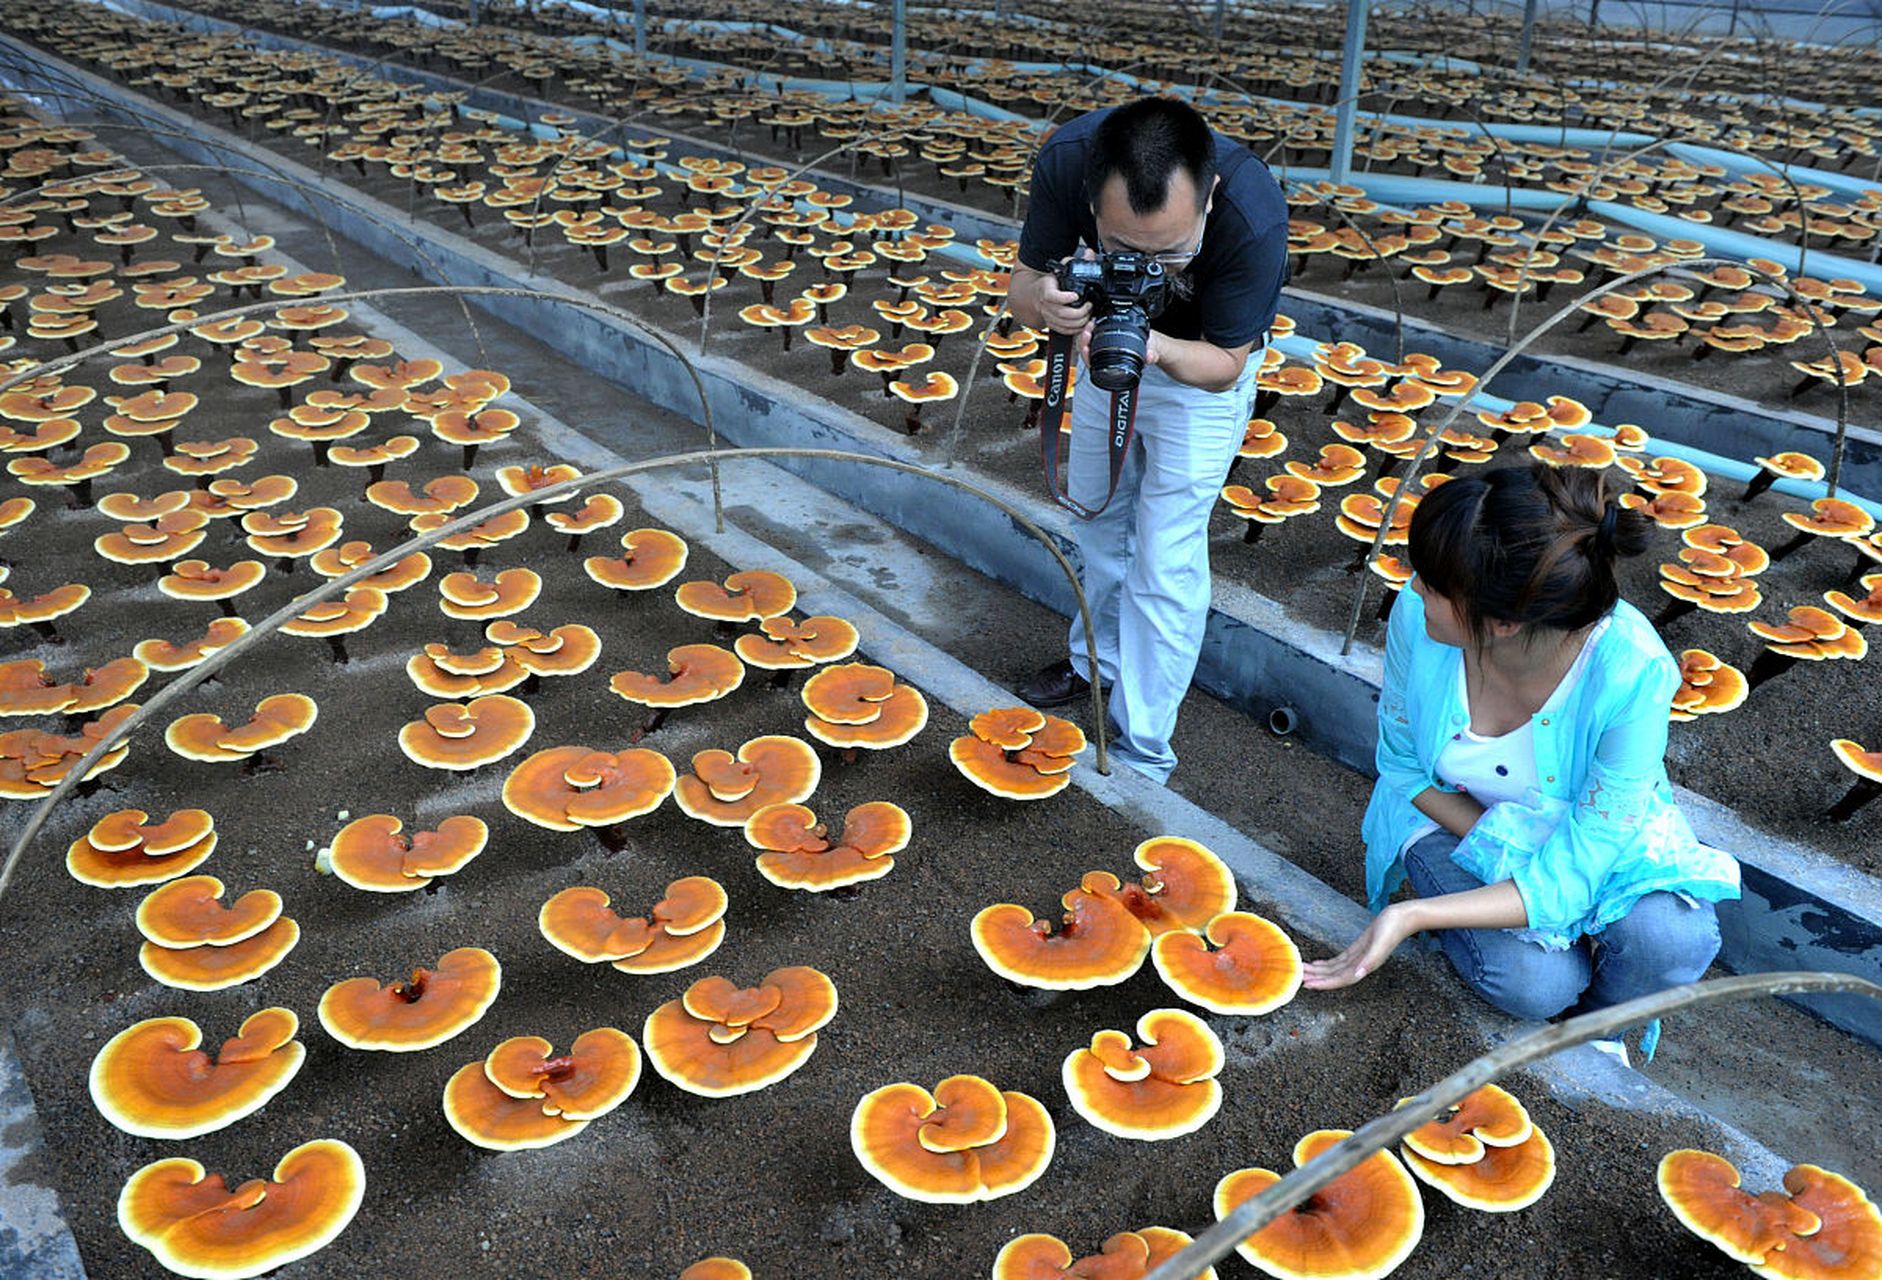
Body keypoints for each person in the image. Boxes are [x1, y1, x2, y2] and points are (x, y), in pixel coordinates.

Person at [1301, 464, 1740, 1063]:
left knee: (1670, 938)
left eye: (1432, 583)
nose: (1413, 588)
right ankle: (1559, 981)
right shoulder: (1417, 617)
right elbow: (1403, 768)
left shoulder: (1632, 671)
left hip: (1593, 840)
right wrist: (1502, 849)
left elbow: (1586, 859)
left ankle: (1596, 1034)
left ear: (1503, 623)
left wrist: (1418, 914)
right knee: (1534, 983)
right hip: (1451, 817)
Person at [1007, 96, 1289, 784]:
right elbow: (1020, 286)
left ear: (1210, 195)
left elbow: (1225, 366)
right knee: (1098, 518)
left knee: (1166, 558)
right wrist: (1044, 303)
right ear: (1091, 202)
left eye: (1170, 252)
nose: (1148, 267)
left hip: (1196, 370)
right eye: (1125, 250)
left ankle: (1142, 744)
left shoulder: (1253, 214)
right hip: (1105, 348)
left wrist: (1158, 348)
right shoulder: (1067, 159)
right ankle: (1093, 664)